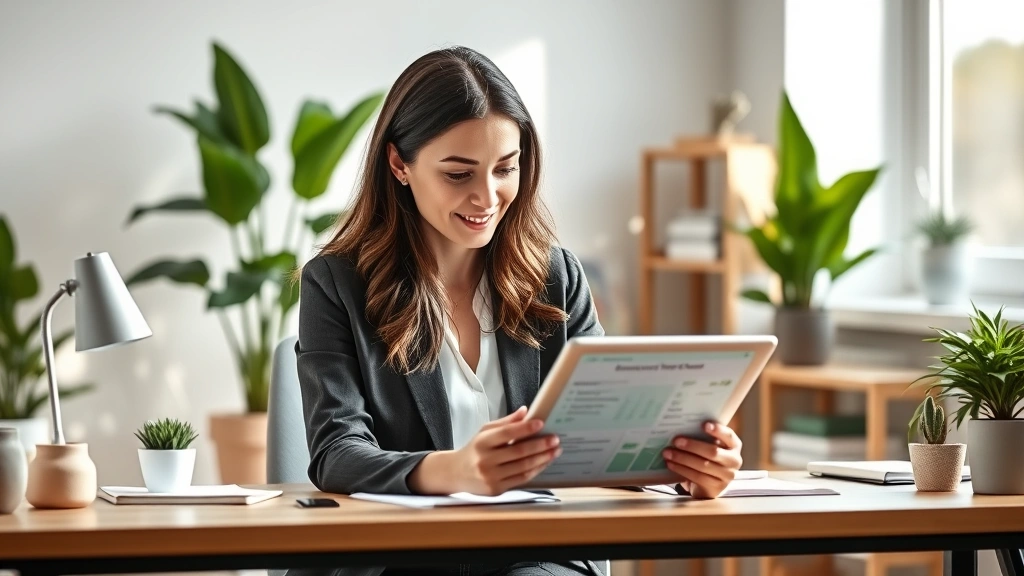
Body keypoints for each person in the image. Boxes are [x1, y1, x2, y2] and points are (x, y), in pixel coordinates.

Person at [295, 46, 743, 576]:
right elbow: (337, 452)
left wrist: (679, 466)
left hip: (535, 554)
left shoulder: (556, 278)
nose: (487, 196)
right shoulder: (336, 283)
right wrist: (453, 470)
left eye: (505, 169)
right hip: (400, 559)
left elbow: (602, 431)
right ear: (400, 164)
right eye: (459, 174)